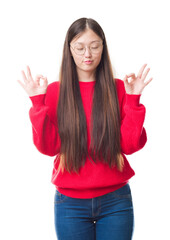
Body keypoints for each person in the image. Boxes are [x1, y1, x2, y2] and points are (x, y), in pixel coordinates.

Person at [18, 18, 152, 240]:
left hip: (116, 201)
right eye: (79, 47)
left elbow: (129, 145)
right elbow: (49, 148)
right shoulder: (54, 92)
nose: (87, 54)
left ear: (103, 47)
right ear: (69, 50)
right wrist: (37, 103)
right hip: (69, 205)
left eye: (94, 46)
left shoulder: (118, 88)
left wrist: (133, 99)